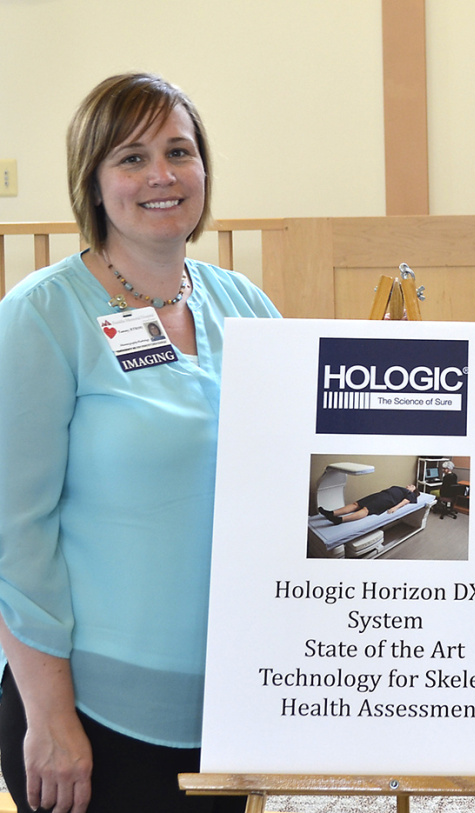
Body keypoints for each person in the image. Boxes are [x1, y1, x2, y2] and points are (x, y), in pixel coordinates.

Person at [0, 73, 280, 813]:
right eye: (130, 157)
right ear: (92, 182)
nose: (161, 175)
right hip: (93, 713)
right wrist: (49, 714)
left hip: (227, 708)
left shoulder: (245, 305)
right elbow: (12, 533)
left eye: (178, 151)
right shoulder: (42, 315)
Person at [318, 484, 420, 525]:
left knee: (366, 509)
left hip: (387, 500)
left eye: (412, 486)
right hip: (380, 494)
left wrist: (395, 508)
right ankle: (332, 513)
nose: (409, 485)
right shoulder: (400, 488)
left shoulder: (411, 494)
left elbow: (406, 501)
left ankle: (340, 520)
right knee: (356, 504)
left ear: (414, 490)